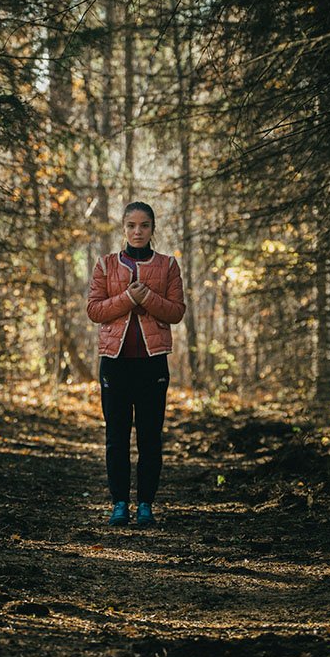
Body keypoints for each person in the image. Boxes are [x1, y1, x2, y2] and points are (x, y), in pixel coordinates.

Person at [85, 202, 186, 527]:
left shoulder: (169, 265)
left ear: (153, 228)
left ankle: (145, 505)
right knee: (116, 437)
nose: (137, 231)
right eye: (131, 225)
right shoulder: (105, 264)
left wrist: (147, 298)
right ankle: (119, 504)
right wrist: (129, 298)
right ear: (123, 228)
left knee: (150, 437)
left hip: (152, 365)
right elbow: (95, 310)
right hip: (114, 365)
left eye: (144, 225)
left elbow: (176, 312)